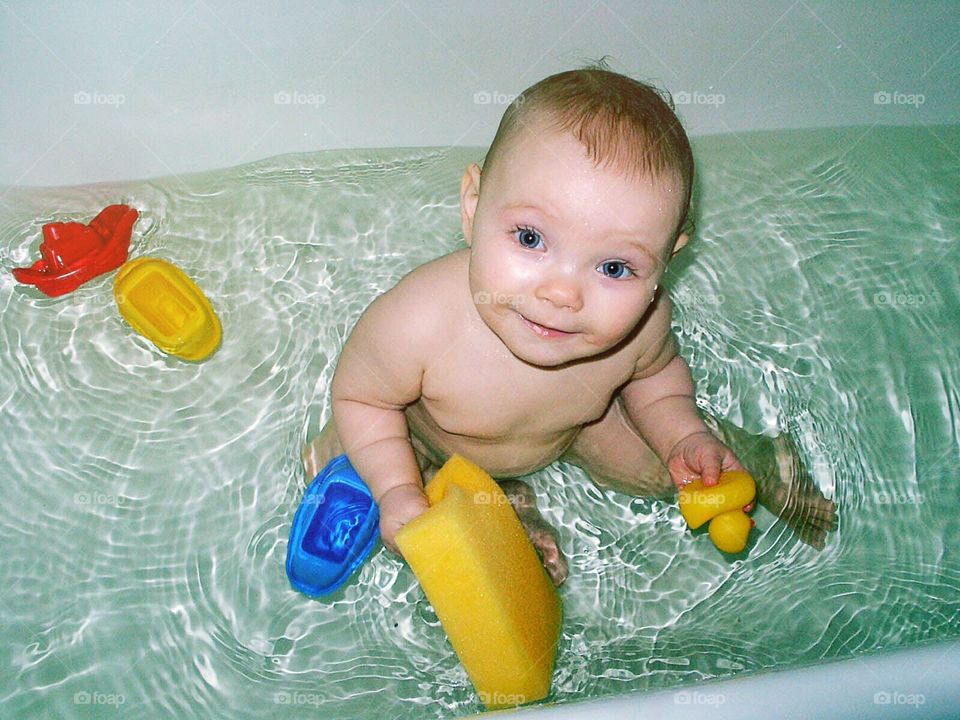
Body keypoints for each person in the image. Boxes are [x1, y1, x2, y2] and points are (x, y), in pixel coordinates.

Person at [302, 66, 836, 585]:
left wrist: (682, 435)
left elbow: (655, 378)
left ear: (666, 262)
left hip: (576, 429)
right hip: (430, 437)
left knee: (664, 474)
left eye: (614, 268)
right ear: (473, 206)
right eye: (530, 238)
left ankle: (759, 459)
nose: (562, 294)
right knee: (340, 460)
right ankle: (506, 506)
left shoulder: (642, 325)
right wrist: (396, 488)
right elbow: (363, 399)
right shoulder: (419, 321)